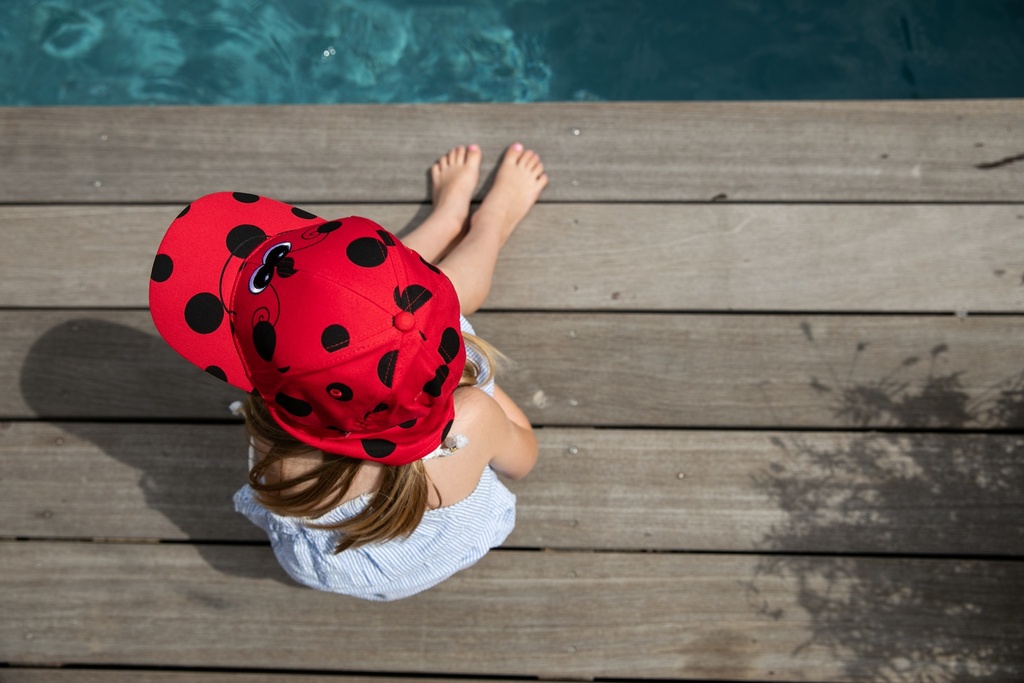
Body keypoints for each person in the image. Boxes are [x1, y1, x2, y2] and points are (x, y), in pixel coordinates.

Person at [149, 143, 547, 600]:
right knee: (413, 299)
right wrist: (478, 390)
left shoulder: (282, 459)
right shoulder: (472, 415)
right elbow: (523, 460)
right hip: (442, 543)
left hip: (346, 568)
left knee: (366, 298)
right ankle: (488, 223)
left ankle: (446, 219)